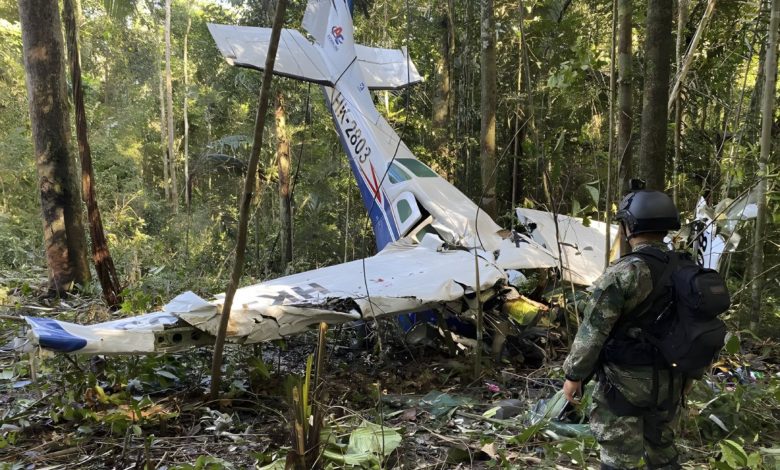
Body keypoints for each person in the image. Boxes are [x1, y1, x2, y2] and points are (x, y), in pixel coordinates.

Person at [561, 189, 687, 470]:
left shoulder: (625, 272)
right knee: (663, 452)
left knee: (619, 457)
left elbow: (592, 331)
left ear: (630, 226)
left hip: (624, 385)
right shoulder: (686, 268)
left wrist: (574, 374)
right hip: (671, 381)